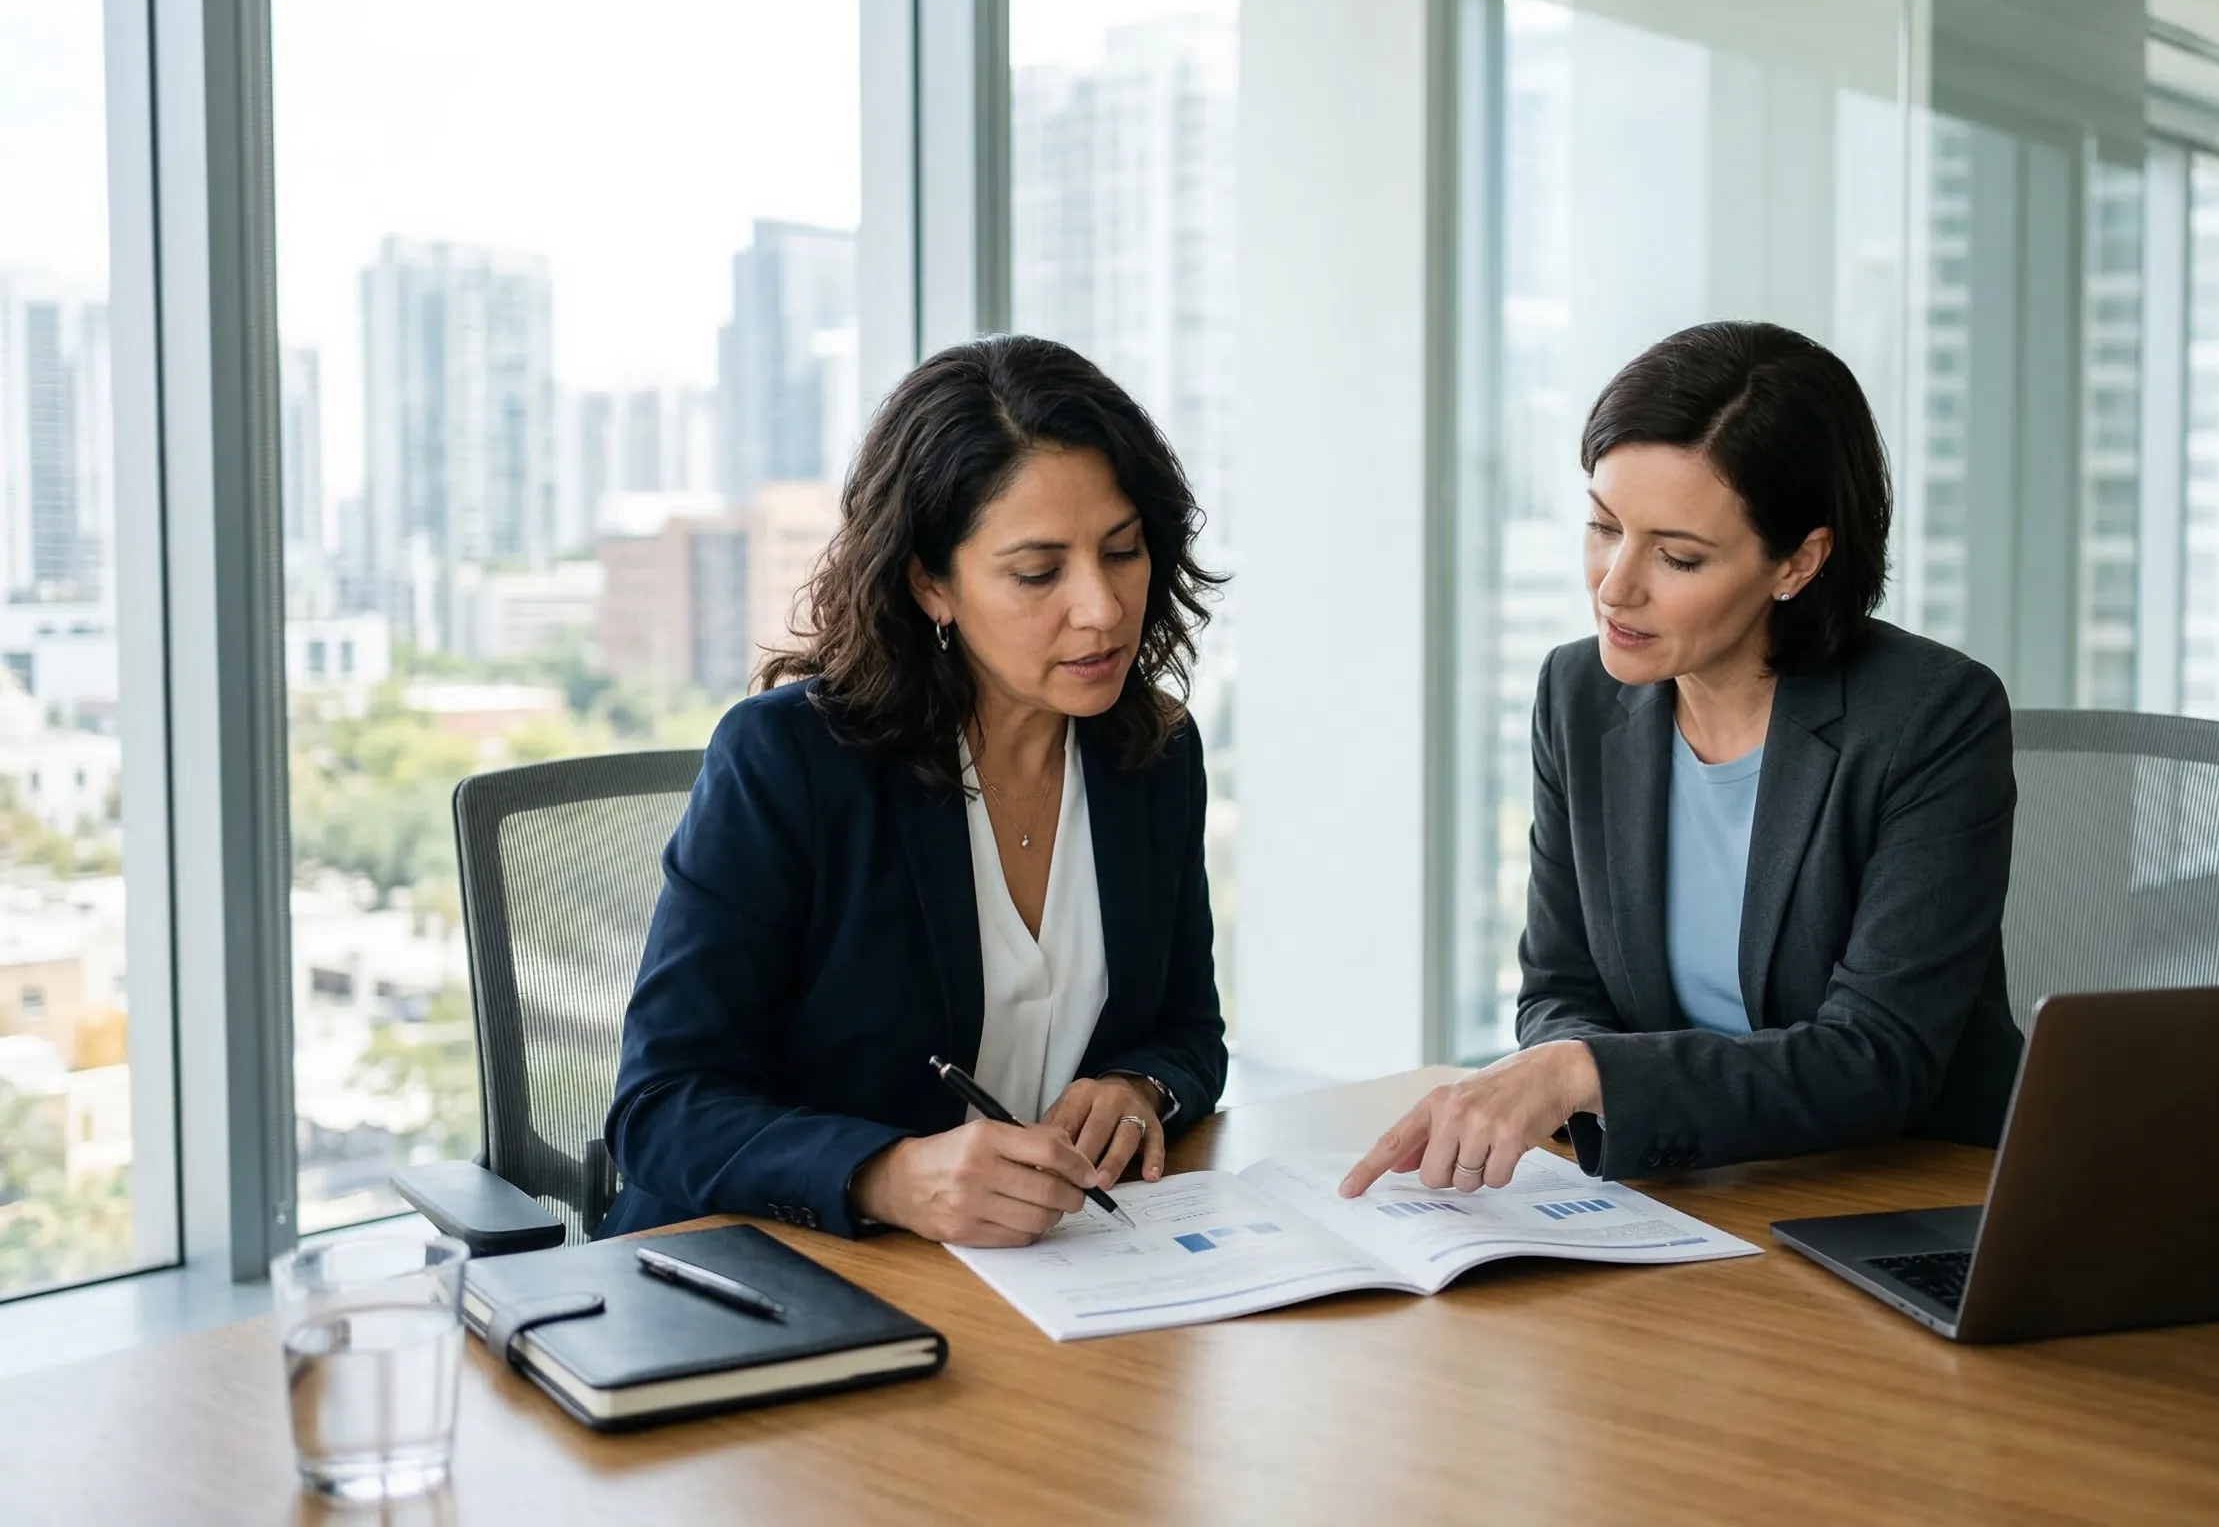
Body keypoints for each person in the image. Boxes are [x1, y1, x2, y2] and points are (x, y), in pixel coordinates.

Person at [1342, 320, 2020, 1199]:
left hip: (1906, 1192)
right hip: (1686, 1189)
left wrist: (1586, 1073)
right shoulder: (1578, 693)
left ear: (1799, 562)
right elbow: (1559, 989)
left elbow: (1876, 1055)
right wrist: (1575, 1071)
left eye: (1677, 556)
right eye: (1603, 526)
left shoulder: (1931, 717)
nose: (1615, 585)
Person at [602, 334, 1229, 1247]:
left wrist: (1141, 1086)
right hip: (776, 1271)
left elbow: (1190, 1031)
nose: (1101, 608)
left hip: (1044, 1275)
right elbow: (662, 1105)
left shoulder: (1154, 756)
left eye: (1123, 551)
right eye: (1038, 573)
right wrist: (885, 1176)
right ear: (931, 583)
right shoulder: (789, 761)